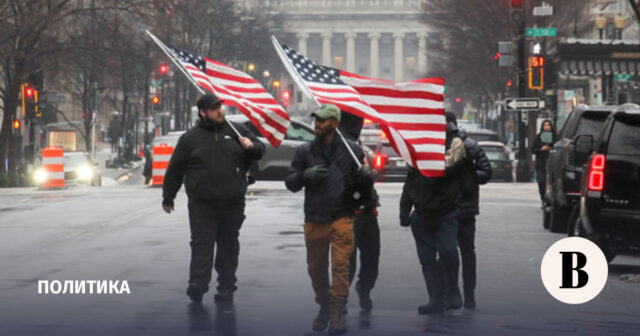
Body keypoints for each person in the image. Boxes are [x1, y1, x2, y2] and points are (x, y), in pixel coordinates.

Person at [162, 93, 265, 303]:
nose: (220, 111)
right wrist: (168, 196)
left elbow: (260, 150)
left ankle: (226, 286)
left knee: (228, 244)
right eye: (214, 108)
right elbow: (176, 168)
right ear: (203, 112)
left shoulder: (236, 130)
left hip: (232, 201)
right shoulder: (190, 138)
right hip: (202, 202)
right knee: (202, 243)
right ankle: (198, 284)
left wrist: (251, 147)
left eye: (220, 107)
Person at [285, 104, 372, 335]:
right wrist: (304, 175)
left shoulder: (352, 150)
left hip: (342, 216)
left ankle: (336, 312)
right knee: (316, 269)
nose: (317, 124)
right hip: (315, 217)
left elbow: (363, 189)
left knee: (341, 267)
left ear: (334, 123)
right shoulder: (305, 151)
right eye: (316, 120)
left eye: (322, 121)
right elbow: (290, 182)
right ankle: (324, 304)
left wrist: (366, 176)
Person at [399, 111, 466, 315]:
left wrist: (425, 157)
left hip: (446, 210)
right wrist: (404, 210)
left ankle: (453, 289)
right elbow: (410, 181)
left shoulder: (455, 144)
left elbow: (447, 168)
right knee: (427, 259)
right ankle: (435, 300)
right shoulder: (416, 149)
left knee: (447, 251)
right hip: (422, 212)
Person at [338, 111, 381, 313]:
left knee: (371, 258)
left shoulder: (357, 145)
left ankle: (364, 289)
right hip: (349, 212)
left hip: (368, 211)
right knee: (348, 261)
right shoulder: (340, 145)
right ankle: (341, 297)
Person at [456, 126, 492, 309]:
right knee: (452, 253)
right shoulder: (439, 145)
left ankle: (467, 294)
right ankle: (453, 293)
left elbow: (486, 173)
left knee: (462, 252)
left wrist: (467, 176)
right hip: (449, 209)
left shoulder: (471, 147)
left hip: (464, 210)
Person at [531, 120, 556, 203]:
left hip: (552, 163)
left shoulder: (555, 137)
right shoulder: (538, 138)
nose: (547, 127)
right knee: (541, 181)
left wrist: (551, 148)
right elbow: (533, 149)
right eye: (545, 125)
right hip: (541, 163)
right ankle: (543, 197)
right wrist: (541, 149)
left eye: (548, 125)